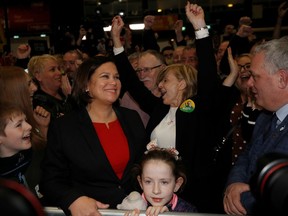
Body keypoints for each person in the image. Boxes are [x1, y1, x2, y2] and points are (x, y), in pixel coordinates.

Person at [111, 2, 222, 213]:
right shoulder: (160, 109)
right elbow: (133, 84)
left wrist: (199, 27)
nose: (159, 85)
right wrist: (117, 43)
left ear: (181, 83)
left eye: (166, 81)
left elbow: (208, 75)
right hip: (155, 194)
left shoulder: (199, 108)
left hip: (191, 197)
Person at [40, 56, 148, 216]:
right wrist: (72, 199)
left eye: (116, 77)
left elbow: (143, 165)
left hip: (134, 210)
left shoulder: (132, 118)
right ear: (86, 85)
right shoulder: (65, 126)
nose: (114, 82)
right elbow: (50, 180)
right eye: (105, 76)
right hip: (91, 212)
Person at [223, 36, 288, 215]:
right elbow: (246, 155)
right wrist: (234, 184)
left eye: (255, 76)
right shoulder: (265, 116)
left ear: (282, 79)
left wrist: (240, 198)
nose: (249, 83)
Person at [121, 142, 197, 216]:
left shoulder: (187, 212)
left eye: (164, 182)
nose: (156, 191)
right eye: (148, 181)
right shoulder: (129, 207)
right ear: (140, 182)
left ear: (177, 184)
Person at [28, 54, 76, 121]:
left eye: (58, 69)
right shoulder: (39, 102)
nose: (59, 73)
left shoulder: (63, 90)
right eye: (52, 70)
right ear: (38, 76)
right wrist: (69, 97)